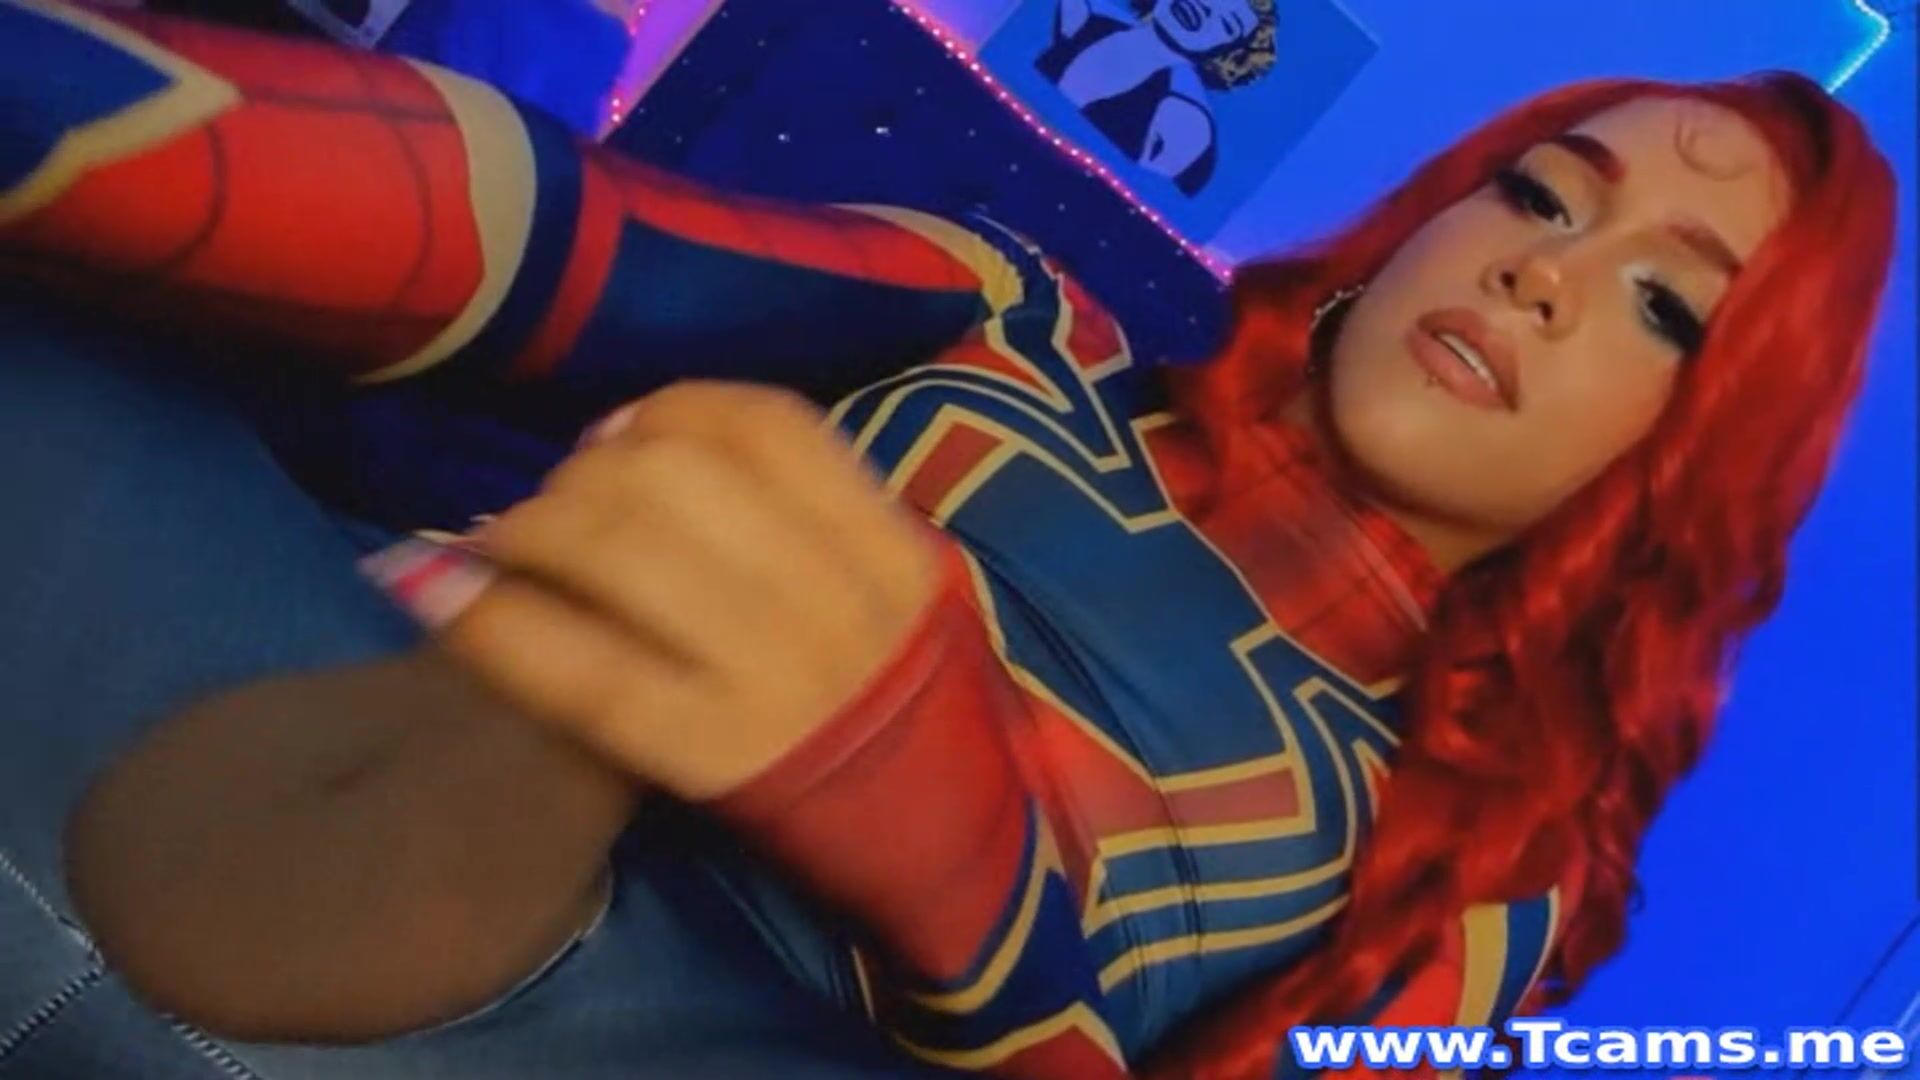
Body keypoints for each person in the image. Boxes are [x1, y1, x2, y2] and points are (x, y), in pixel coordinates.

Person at [0, 2, 1896, 1078]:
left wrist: (924, 799)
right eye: (1542, 195)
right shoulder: (1019, 323)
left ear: (1700, 455)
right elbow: (557, 248)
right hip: (302, 663)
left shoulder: (1489, 862)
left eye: (1668, 306)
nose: (1544, 273)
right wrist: (80, 120)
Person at [1036, 0, 1278, 194]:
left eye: (1227, 24)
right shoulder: (1086, 12)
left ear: (1228, 53)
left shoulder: (1186, 119)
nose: (1206, 9)